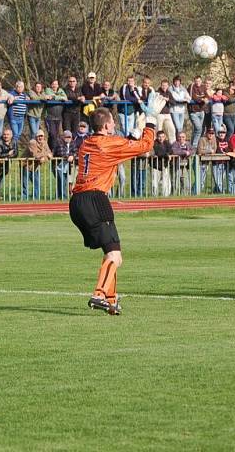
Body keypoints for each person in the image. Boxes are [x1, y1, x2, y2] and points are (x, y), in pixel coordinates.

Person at [70, 96, 164, 316]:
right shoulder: (107, 143)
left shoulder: (87, 143)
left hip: (76, 203)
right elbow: (145, 146)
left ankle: (111, 300)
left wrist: (132, 131)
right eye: (112, 123)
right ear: (105, 126)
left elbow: (118, 146)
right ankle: (99, 294)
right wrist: (150, 120)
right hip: (95, 199)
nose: (115, 126)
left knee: (109, 251)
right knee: (115, 256)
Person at [22, 130, 52, 200]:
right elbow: (35, 154)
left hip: (36, 167)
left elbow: (50, 154)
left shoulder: (45, 143)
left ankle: (36, 198)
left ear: (44, 137)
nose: (40, 138)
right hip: (26, 165)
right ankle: (24, 199)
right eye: (39, 136)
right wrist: (46, 155)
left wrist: (44, 157)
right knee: (25, 184)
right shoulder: (32, 142)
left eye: (42, 136)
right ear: (36, 137)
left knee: (37, 183)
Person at [0, 127, 18, 199]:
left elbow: (15, 153)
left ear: (11, 135)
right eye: (4, 134)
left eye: (7, 134)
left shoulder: (14, 141)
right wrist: (8, 154)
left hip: (5, 167)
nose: (6, 136)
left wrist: (7, 157)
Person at [44, 79, 67, 150]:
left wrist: (55, 97)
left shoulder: (61, 90)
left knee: (57, 135)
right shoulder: (48, 90)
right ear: (51, 85)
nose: (54, 85)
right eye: (53, 84)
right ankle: (52, 150)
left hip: (59, 117)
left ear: (58, 85)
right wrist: (60, 98)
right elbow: (50, 96)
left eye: (56, 84)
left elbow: (65, 98)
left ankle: (54, 150)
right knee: (52, 134)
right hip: (50, 117)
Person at [51, 130, 74, 200]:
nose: (68, 138)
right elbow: (61, 153)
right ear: (63, 137)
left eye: (69, 137)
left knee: (63, 181)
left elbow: (75, 151)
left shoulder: (72, 143)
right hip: (58, 165)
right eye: (66, 137)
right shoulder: (59, 142)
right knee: (62, 180)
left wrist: (72, 156)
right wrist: (69, 156)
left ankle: (58, 197)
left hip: (67, 166)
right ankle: (63, 197)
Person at [150, 130, 172, 197]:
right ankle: (154, 195)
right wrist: (166, 155)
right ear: (157, 137)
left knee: (166, 182)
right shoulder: (154, 143)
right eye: (159, 137)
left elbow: (171, 150)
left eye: (162, 136)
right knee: (154, 182)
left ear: (165, 137)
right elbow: (158, 152)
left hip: (165, 165)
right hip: (155, 166)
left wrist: (167, 154)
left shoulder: (167, 143)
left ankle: (166, 195)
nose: (161, 138)